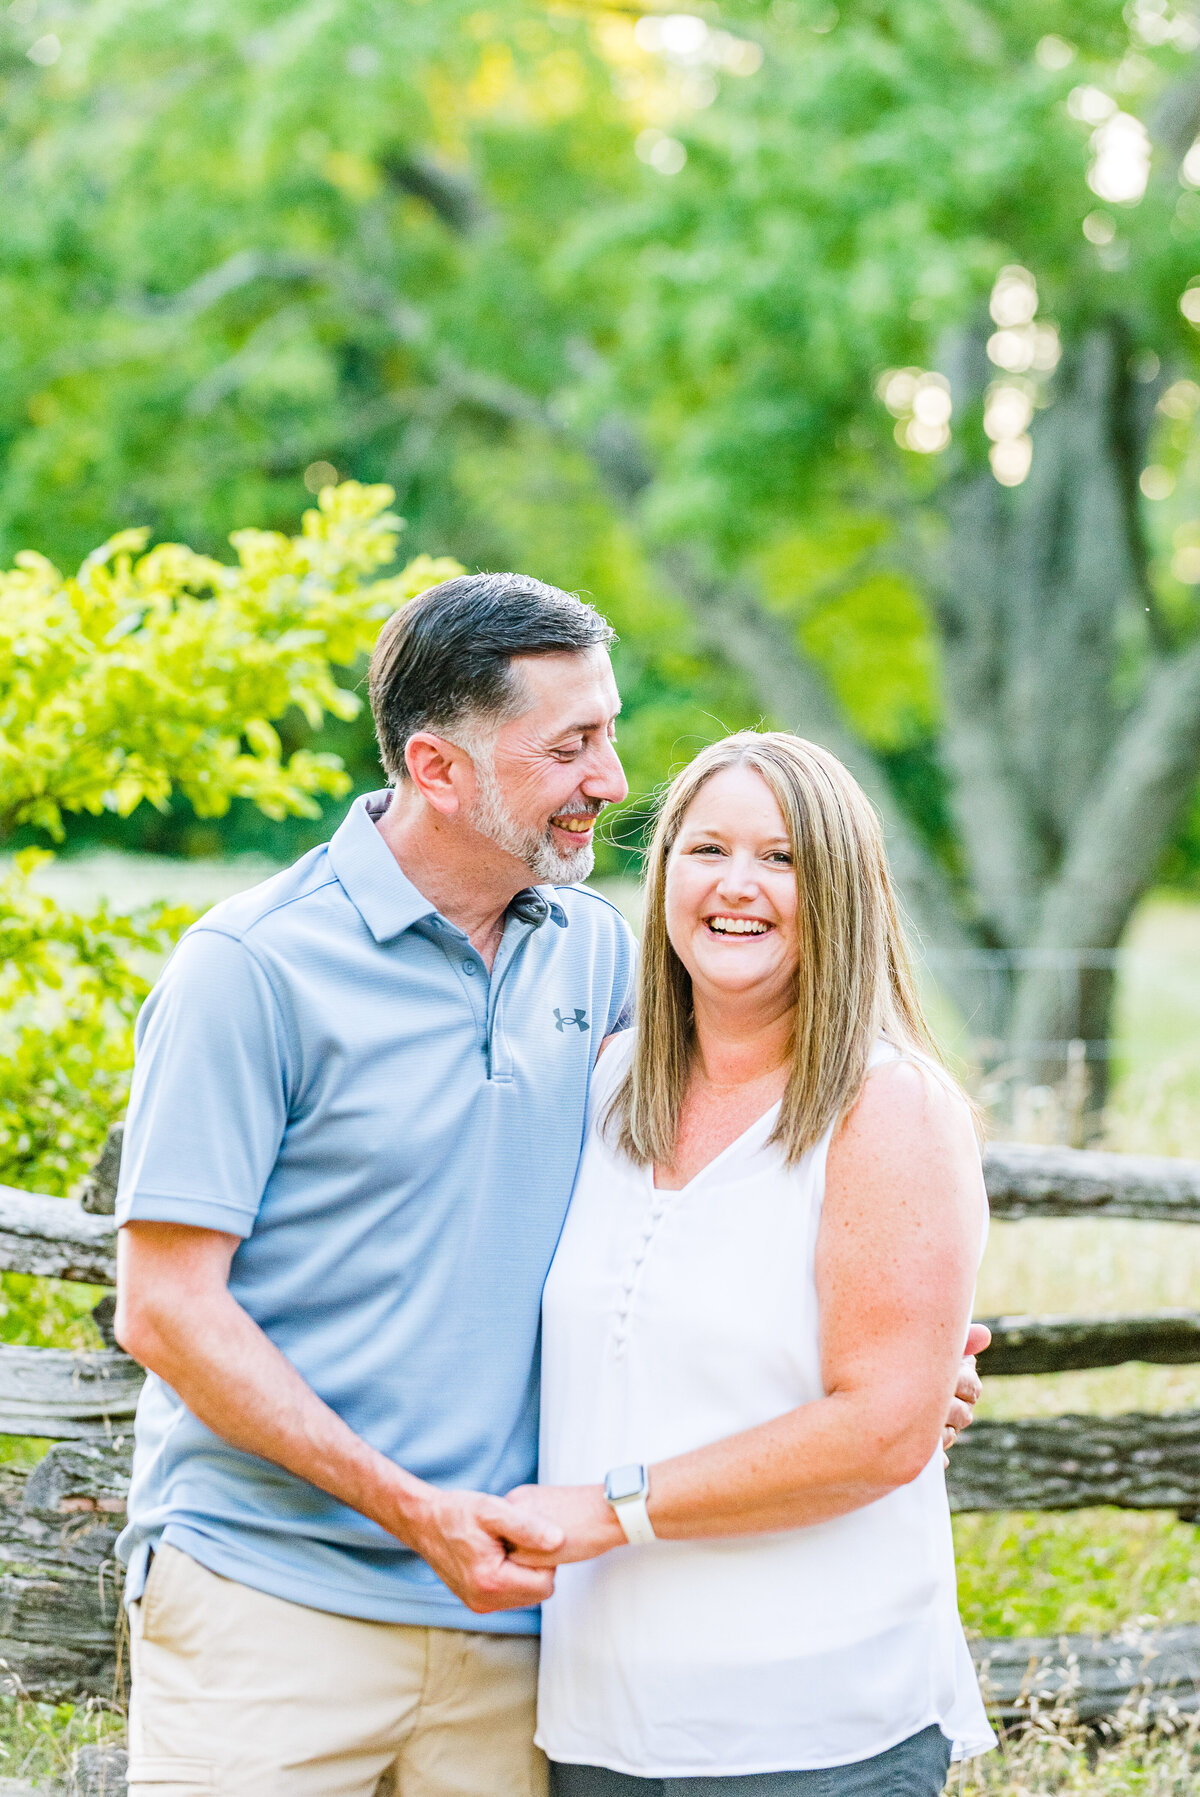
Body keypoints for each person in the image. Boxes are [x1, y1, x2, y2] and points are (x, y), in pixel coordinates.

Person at [113, 575, 988, 1797]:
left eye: (611, 731)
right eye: (572, 745)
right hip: (280, 1603)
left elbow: (749, 1195)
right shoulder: (250, 972)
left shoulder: (596, 965)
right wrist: (417, 1511)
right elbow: (165, 1310)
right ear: (438, 768)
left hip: (519, 1630)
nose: (614, 781)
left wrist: (904, 1378)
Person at [507, 731, 997, 1795]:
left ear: (843, 894)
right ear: (664, 871)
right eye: (707, 849)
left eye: (783, 859)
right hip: (600, 1719)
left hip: (813, 1729)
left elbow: (881, 1429)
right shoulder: (602, 1083)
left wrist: (609, 1507)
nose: (739, 887)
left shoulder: (889, 1108)